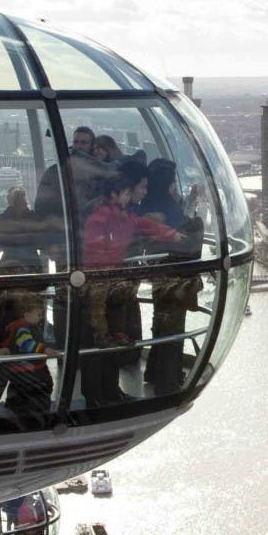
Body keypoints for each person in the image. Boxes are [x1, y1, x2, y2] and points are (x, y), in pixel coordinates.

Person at [79, 164, 196, 406]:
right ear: (115, 193)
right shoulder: (99, 216)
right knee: (98, 338)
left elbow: (144, 225)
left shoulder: (121, 215)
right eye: (126, 193)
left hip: (113, 283)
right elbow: (93, 247)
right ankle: (95, 394)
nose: (130, 196)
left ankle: (109, 390)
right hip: (100, 283)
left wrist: (171, 234)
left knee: (109, 338)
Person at [139, 159, 205, 395]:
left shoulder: (150, 202)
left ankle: (156, 372)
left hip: (159, 272)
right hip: (175, 274)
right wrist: (197, 220)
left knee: (161, 321)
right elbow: (184, 232)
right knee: (173, 326)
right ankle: (169, 378)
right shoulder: (166, 206)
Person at [0, 292, 60, 429]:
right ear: (26, 315)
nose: (41, 318)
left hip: (27, 371)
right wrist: (43, 349)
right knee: (34, 395)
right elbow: (26, 344)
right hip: (28, 373)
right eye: (38, 315)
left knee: (24, 396)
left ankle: (27, 417)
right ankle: (33, 421)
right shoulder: (22, 329)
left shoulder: (25, 326)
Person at [0, 186, 46, 274]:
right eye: (18, 200)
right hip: (30, 264)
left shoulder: (2, 219)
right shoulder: (34, 218)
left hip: (10, 265)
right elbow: (41, 244)